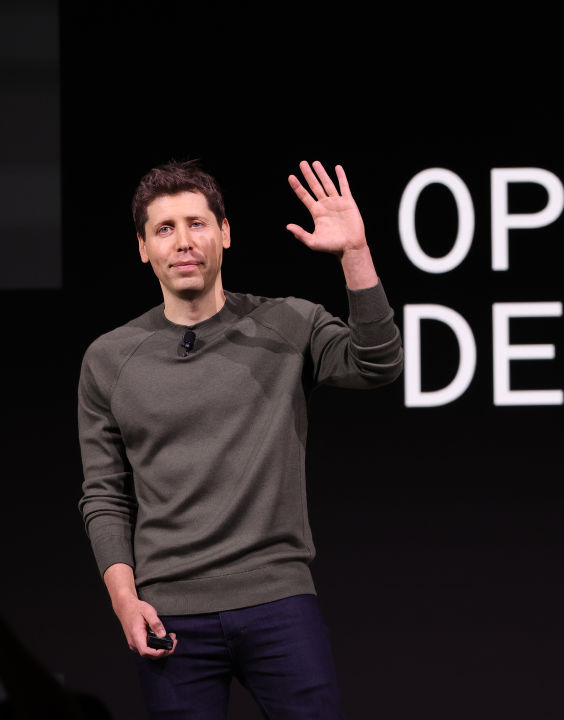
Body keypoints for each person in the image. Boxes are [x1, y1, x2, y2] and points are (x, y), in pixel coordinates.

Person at [77, 159, 403, 719]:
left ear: (225, 233)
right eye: (165, 228)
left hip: (278, 601)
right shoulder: (109, 358)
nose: (184, 242)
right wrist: (125, 602)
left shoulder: (287, 325)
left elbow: (377, 364)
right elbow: (104, 495)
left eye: (198, 224)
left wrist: (355, 254)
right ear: (142, 248)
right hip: (170, 613)